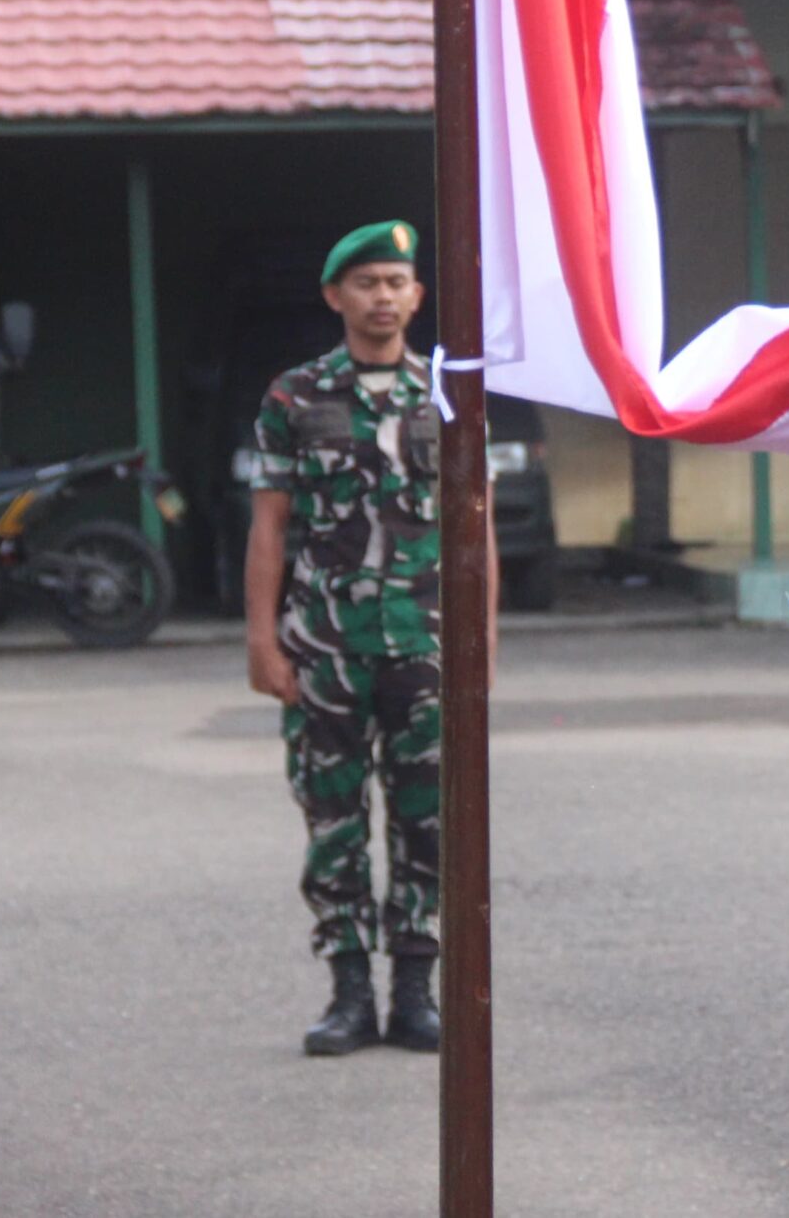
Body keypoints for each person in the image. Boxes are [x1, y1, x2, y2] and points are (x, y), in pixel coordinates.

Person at [244, 221, 490, 1058]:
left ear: (418, 295)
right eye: (366, 282)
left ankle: (416, 990)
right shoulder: (294, 397)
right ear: (334, 297)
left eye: (396, 280)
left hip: (423, 645)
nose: (383, 296)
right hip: (327, 647)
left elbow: (474, 528)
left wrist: (480, 644)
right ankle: (348, 992)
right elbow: (269, 528)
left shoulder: (449, 394)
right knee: (334, 822)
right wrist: (263, 641)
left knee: (428, 821)